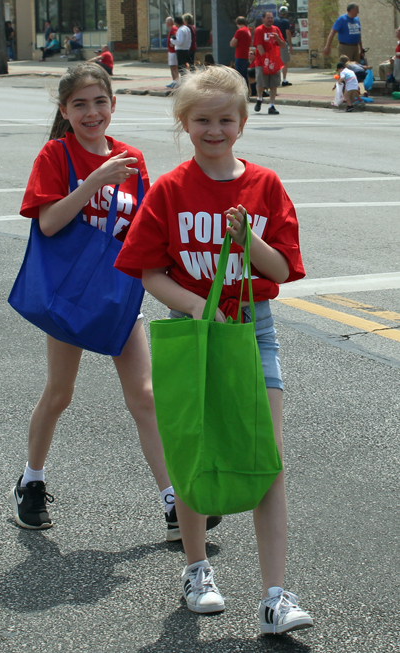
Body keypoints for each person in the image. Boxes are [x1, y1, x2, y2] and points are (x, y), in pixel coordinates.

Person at [114, 64, 314, 635]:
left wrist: (247, 238)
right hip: (193, 328)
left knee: (265, 458)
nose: (214, 129)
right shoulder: (172, 189)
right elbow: (147, 270)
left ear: (242, 123)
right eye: (201, 119)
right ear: (184, 122)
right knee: (195, 452)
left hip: (255, 329)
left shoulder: (265, 186)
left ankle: (275, 595)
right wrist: (199, 304)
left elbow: (283, 269)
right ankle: (198, 570)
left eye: (226, 119)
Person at [9, 63, 212, 541]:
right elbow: (49, 224)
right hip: (70, 293)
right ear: (64, 110)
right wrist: (94, 181)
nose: (91, 112)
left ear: (113, 105)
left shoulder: (132, 158)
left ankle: (172, 502)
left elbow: (144, 229)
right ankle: (31, 482)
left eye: (99, 102)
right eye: (79, 104)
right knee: (60, 395)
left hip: (118, 289)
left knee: (144, 395)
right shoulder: (56, 155)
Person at [253, 11, 285, 114]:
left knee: (274, 84)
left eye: (271, 18)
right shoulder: (259, 30)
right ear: (263, 19)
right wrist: (265, 59)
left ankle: (271, 106)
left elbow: (283, 45)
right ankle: (259, 98)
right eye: (268, 18)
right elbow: (259, 46)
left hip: (274, 61)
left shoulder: (276, 29)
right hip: (261, 61)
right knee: (261, 83)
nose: (270, 19)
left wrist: (277, 38)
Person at [230, 16, 252, 89]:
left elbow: (232, 44)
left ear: (237, 23)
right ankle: (246, 93)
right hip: (245, 56)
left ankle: (241, 93)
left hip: (240, 57)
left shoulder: (240, 31)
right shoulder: (247, 30)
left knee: (239, 77)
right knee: (244, 77)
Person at [274, 6, 292, 87]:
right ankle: (284, 80)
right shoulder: (286, 21)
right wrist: (291, 45)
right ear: (286, 13)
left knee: (276, 62)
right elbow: (287, 33)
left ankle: (276, 80)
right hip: (282, 43)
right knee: (284, 62)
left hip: (274, 44)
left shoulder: (274, 21)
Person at [165, 16, 179, 89]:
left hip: (173, 51)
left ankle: (175, 81)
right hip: (172, 51)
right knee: (173, 66)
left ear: (168, 23)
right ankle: (175, 81)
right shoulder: (173, 28)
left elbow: (175, 36)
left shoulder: (173, 29)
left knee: (173, 66)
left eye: (166, 22)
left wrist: (173, 43)